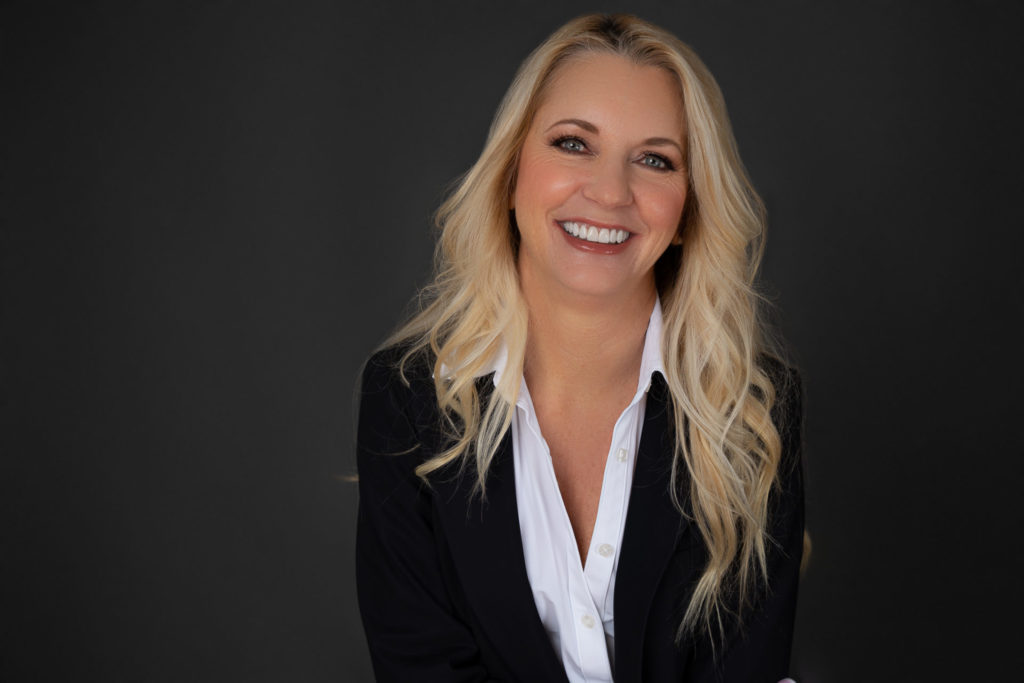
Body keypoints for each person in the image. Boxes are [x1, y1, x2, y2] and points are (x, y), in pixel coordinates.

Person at [355, 12, 805, 683]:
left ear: (688, 211)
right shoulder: (408, 400)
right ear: (511, 174)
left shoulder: (752, 410)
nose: (610, 191)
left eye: (654, 159)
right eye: (573, 143)